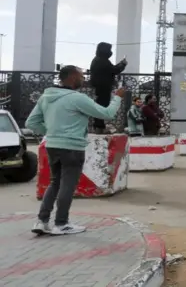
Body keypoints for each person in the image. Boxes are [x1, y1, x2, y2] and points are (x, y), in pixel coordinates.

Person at [26, 65, 124, 235]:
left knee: (55, 182)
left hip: (52, 145)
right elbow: (107, 113)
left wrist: (52, 133)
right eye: (81, 75)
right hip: (72, 147)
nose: (84, 78)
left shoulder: (46, 96)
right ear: (71, 77)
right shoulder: (77, 98)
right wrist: (117, 98)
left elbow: (31, 123)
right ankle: (61, 223)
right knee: (67, 185)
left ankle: (42, 221)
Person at [89, 42, 127, 133]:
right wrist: (123, 64)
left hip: (101, 86)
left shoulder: (100, 60)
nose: (111, 52)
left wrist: (120, 64)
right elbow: (114, 70)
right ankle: (99, 126)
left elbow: (111, 69)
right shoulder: (101, 60)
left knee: (101, 105)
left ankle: (99, 126)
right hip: (102, 87)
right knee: (101, 106)